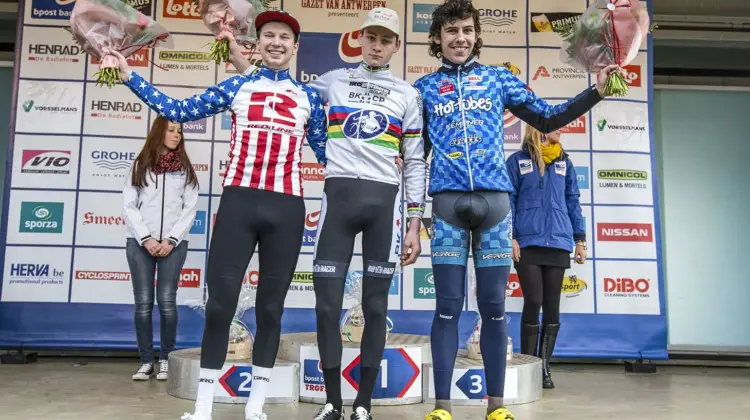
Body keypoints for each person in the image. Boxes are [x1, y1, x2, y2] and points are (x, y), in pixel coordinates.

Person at [114, 9, 328, 420]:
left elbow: (328, 155)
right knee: (220, 306)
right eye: (269, 36)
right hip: (238, 204)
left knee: (270, 309)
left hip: (287, 208)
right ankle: (203, 407)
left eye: (285, 37)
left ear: (295, 48)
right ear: (258, 43)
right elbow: (176, 108)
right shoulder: (237, 87)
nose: (277, 43)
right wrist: (128, 76)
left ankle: (256, 407)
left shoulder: (309, 99)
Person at [412, 1, 621, 419]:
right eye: (451, 31)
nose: (460, 38)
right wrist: (411, 216)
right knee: (447, 307)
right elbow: (416, 155)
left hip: (495, 204)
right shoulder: (423, 90)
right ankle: (441, 407)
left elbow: (547, 118)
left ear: (476, 35)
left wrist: (596, 90)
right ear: (436, 38)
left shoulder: (497, 79)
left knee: (493, 307)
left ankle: (496, 407)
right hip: (448, 204)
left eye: (467, 30)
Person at [229, 8, 426, 420]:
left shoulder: (408, 94)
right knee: (325, 307)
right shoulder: (333, 81)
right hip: (336, 202)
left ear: (395, 46)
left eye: (385, 40)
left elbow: (415, 161)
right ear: (361, 39)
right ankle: (334, 403)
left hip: (384, 207)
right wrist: (238, 56)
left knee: (374, 308)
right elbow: (277, 86)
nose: (377, 45)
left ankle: (364, 405)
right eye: (371, 37)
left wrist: (414, 222)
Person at [506, 125, 587, 390]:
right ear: (539, 131)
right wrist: (511, 236)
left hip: (559, 242)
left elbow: (572, 200)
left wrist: (580, 239)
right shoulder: (517, 161)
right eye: (555, 126)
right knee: (534, 300)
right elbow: (509, 200)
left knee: (552, 305)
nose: (561, 130)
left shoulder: (565, 162)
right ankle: (528, 365)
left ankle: (544, 367)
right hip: (527, 241)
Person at [123, 116, 199, 382]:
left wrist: (171, 240)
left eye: (179, 131)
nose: (177, 135)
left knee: (167, 302)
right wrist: (146, 238)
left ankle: (165, 358)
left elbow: (190, 208)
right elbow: (129, 205)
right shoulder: (141, 164)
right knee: (143, 304)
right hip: (140, 243)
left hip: (173, 245)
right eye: (171, 130)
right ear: (159, 132)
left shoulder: (186, 168)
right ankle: (146, 361)